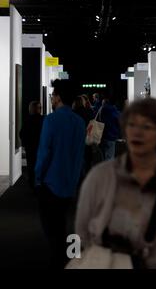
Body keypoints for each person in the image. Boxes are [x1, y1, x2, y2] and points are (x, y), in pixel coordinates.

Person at [74, 98, 156, 269]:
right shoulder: (99, 178)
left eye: (147, 127)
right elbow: (82, 233)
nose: (137, 133)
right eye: (132, 125)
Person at [34, 79, 86, 268]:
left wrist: (38, 178)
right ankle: (66, 257)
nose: (52, 98)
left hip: (50, 183)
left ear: (58, 97)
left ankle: (60, 260)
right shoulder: (79, 122)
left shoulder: (51, 120)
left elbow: (44, 152)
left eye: (53, 95)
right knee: (63, 222)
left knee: (52, 227)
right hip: (70, 183)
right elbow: (80, 153)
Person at [19, 101, 44, 191]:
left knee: (31, 167)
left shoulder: (27, 120)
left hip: (30, 148)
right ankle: (39, 185)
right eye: (39, 107)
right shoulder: (43, 119)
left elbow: (21, 134)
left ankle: (33, 186)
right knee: (41, 166)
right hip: (41, 148)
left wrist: (25, 144)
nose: (40, 109)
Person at [98, 93, 121, 160]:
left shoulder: (101, 109)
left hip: (101, 135)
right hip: (111, 136)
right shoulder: (114, 110)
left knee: (103, 156)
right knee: (110, 157)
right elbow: (119, 121)